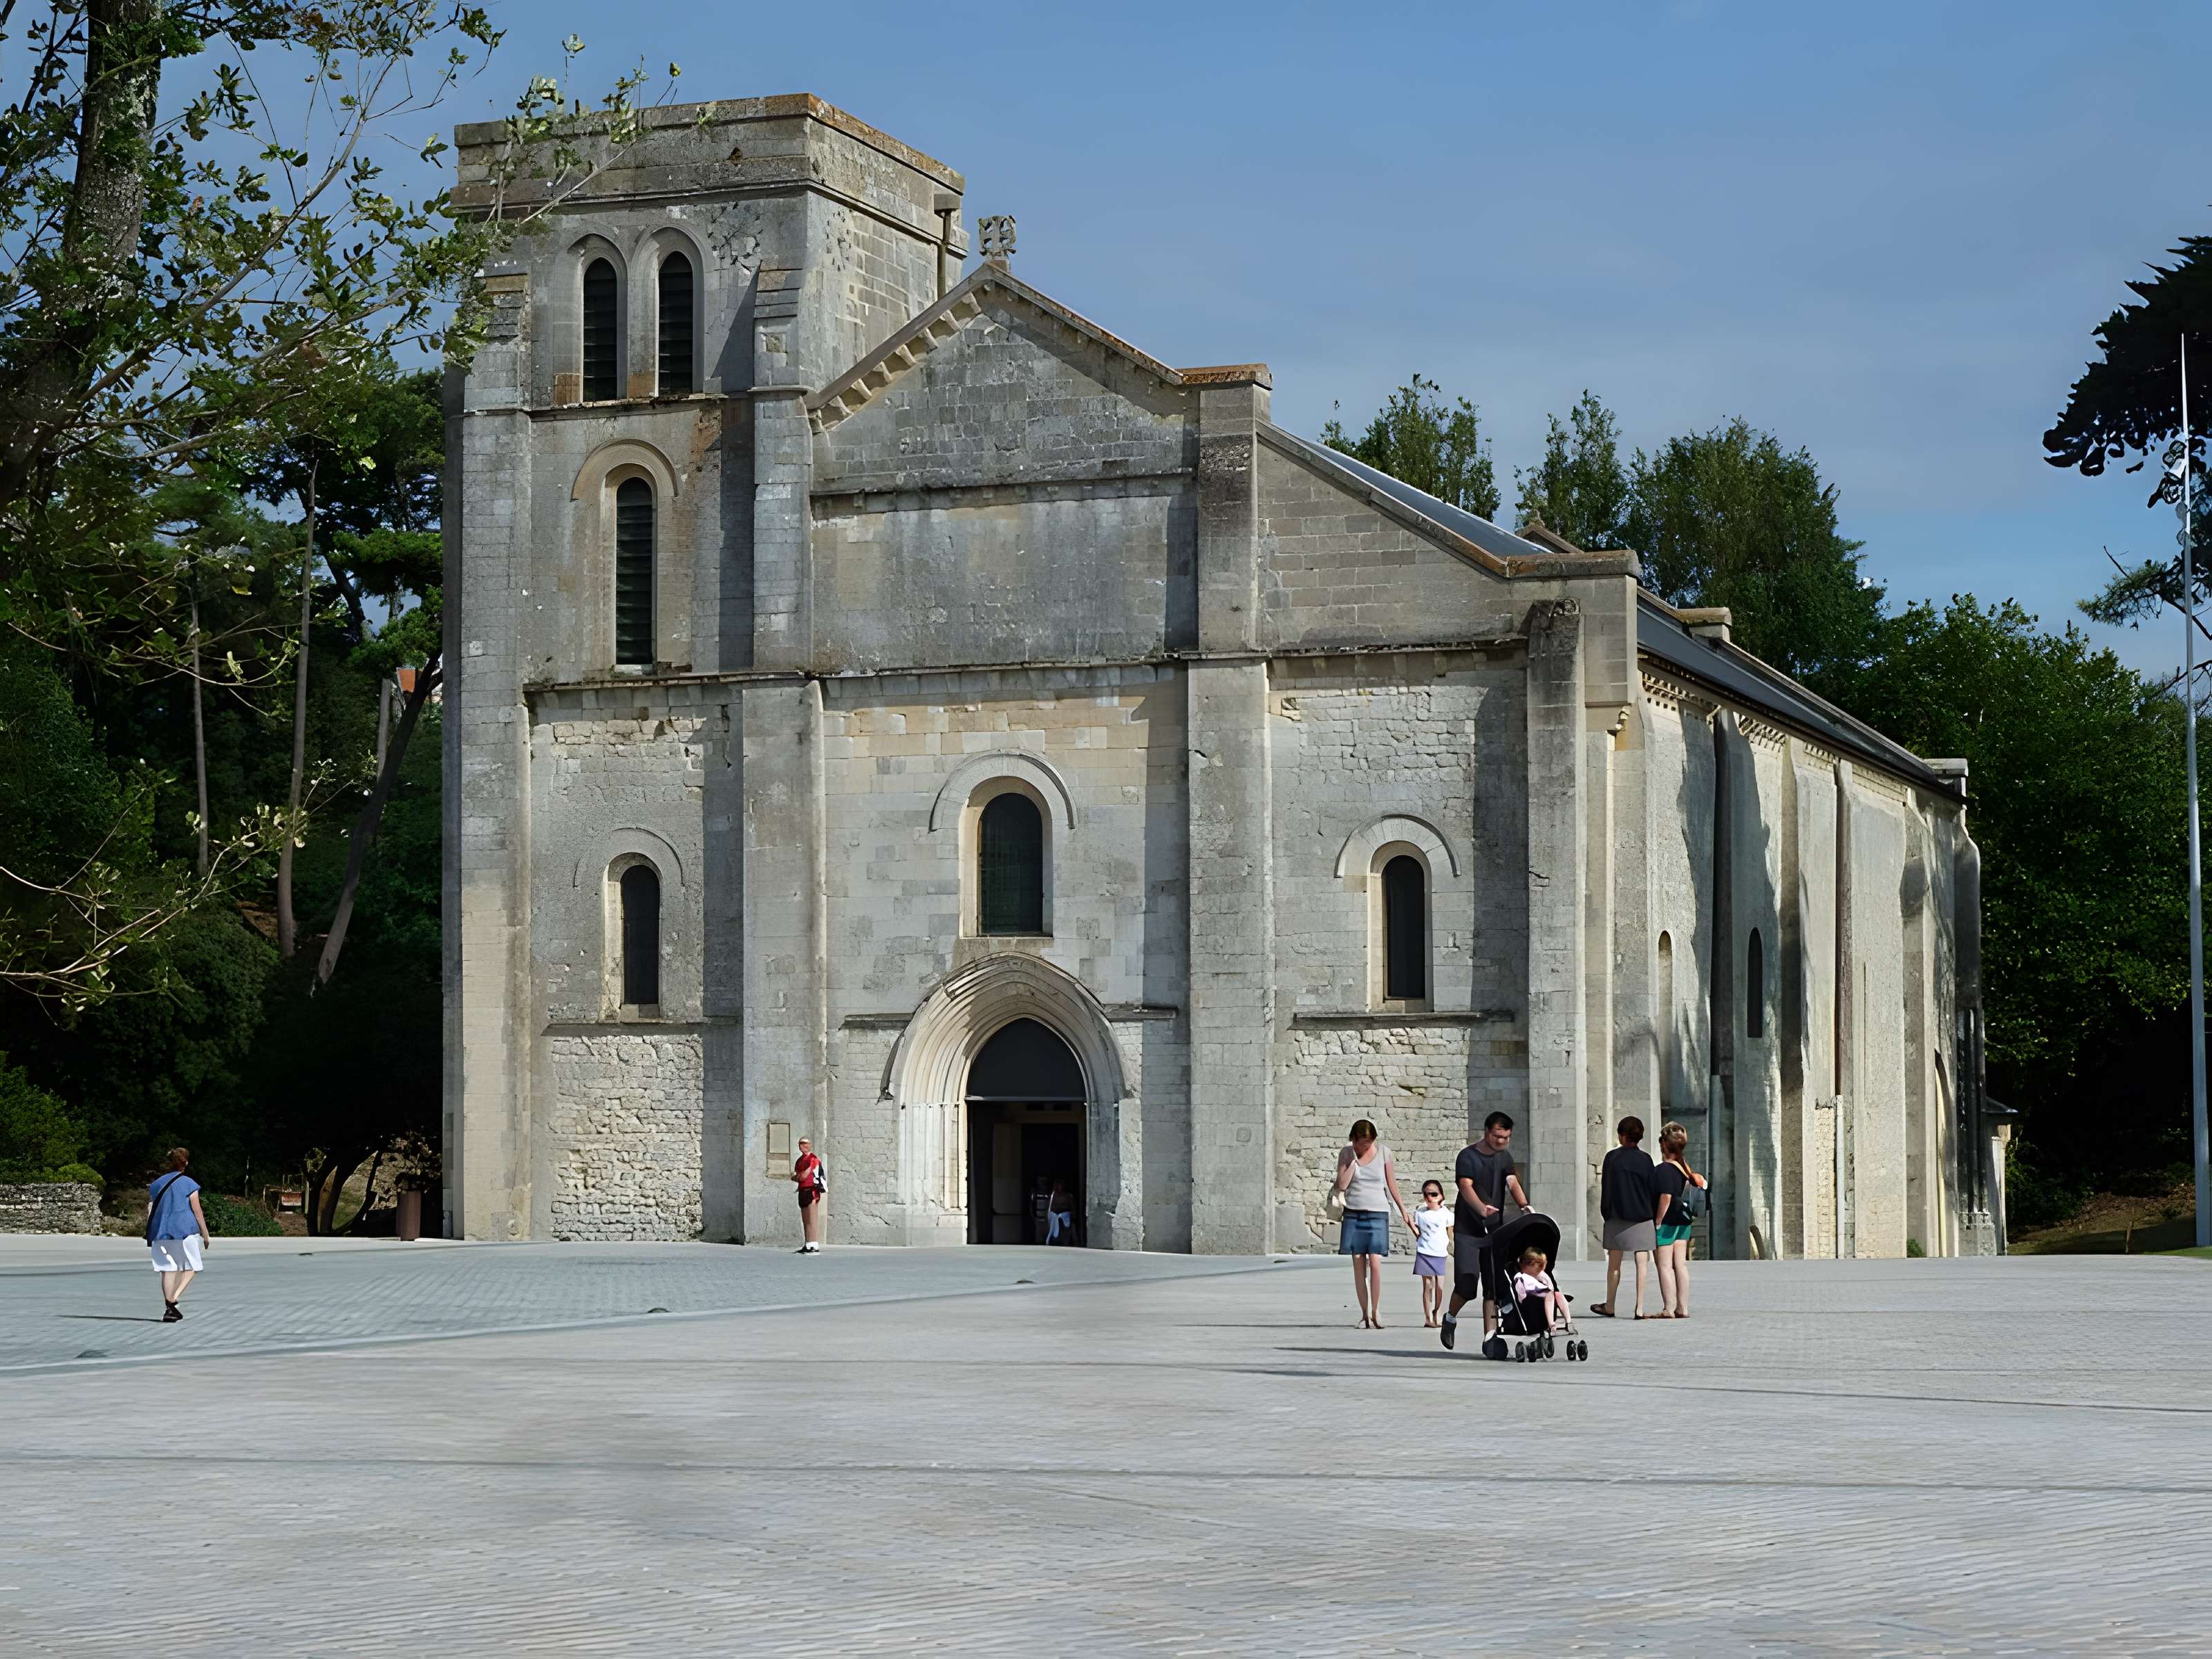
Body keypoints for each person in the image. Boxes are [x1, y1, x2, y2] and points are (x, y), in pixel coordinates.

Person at [1442, 1111, 1528, 1349]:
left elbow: (1512, 1182)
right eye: (1498, 1136)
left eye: (1506, 1138)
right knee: (1467, 1286)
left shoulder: (1504, 1157)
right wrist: (1481, 1209)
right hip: (1468, 1231)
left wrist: (1524, 1205)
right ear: (1487, 1132)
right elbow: (1465, 1186)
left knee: (1493, 1284)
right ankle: (1450, 1318)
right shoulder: (1467, 1157)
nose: (1502, 1142)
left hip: (1494, 1232)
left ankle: (1490, 1337)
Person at [1333, 1118, 1412, 1329]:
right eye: (1361, 1143)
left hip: (1378, 1213)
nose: (1364, 1147)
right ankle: (1364, 1314)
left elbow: (1392, 1184)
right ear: (1353, 1140)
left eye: (1368, 1144)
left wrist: (1403, 1211)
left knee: (1375, 1263)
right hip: (1353, 1213)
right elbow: (1342, 1184)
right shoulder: (1346, 1154)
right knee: (1358, 1264)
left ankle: (1377, 1311)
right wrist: (1354, 1161)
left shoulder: (1384, 1152)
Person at [1591, 1116, 1658, 1318]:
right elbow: (1652, 1189)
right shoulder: (1646, 1159)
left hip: (1617, 1216)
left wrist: (1607, 1214)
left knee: (1614, 1264)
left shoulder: (1612, 1158)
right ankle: (1639, 1307)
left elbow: (1607, 1188)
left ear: (1621, 1135)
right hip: (1643, 1216)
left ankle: (1610, 1304)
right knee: (1642, 1261)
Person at [146, 1147, 209, 1323]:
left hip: (160, 1231)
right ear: (186, 1163)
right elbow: (197, 1210)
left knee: (167, 1269)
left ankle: (170, 1306)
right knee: (192, 1267)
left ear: (170, 1162)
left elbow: (151, 1208)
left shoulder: (157, 1184)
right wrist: (205, 1233)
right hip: (184, 1231)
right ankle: (172, 1302)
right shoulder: (189, 1183)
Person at [1653, 1120, 1708, 1318]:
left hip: (1668, 1222)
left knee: (1665, 1265)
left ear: (1664, 1145)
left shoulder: (1664, 1169)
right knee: (1680, 1265)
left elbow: (1666, 1196)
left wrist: (1658, 1220)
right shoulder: (1685, 1167)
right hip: (1684, 1221)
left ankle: (1669, 1308)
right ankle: (1682, 1307)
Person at [1409, 1180, 1453, 1327]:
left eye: (1434, 1194)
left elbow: (1450, 1234)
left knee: (1440, 1286)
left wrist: (1452, 1248)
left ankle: (1438, 1313)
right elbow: (1418, 1233)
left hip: (1440, 1253)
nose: (1430, 1197)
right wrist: (1412, 1226)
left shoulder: (1446, 1213)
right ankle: (1428, 1318)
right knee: (1428, 1285)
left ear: (1441, 1196)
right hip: (1424, 1252)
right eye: (1427, 1194)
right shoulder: (1420, 1213)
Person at [1510, 1246, 1569, 1335]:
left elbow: (1550, 1284)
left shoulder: (1541, 1274)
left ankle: (1568, 1321)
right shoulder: (1521, 1277)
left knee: (1558, 1295)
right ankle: (1551, 1324)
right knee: (1550, 1296)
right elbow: (1521, 1294)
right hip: (1531, 1299)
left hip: (1544, 1296)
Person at [790, 1136, 825, 1254]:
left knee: (812, 1219)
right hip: (803, 1190)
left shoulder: (813, 1159)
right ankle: (808, 1244)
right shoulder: (799, 1160)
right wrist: (798, 1177)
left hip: (812, 1191)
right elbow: (796, 1175)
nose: (803, 1146)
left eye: (805, 1144)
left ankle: (814, 1244)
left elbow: (804, 1175)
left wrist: (798, 1177)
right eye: (801, 1144)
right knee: (805, 1220)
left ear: (810, 1145)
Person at [1046, 1178, 1076, 1245]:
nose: (1060, 1187)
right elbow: (1051, 1207)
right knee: (1054, 1219)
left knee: (1067, 1224)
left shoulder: (1068, 1196)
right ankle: (1052, 1239)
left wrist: (1072, 1215)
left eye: (1061, 1185)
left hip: (1066, 1215)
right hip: (1055, 1215)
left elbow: (1072, 1208)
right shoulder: (1053, 1195)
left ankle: (1067, 1242)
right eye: (1058, 1185)